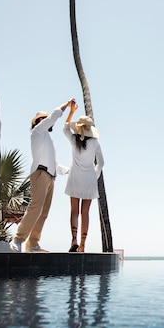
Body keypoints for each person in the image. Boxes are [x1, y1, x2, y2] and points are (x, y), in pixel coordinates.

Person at [9, 98, 75, 253]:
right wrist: (66, 105)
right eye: (43, 119)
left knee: (43, 212)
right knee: (36, 208)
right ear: (37, 122)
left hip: (50, 177)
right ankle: (18, 239)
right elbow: (54, 116)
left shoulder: (48, 140)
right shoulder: (37, 132)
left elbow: (56, 165)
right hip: (40, 174)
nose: (46, 120)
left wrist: (70, 171)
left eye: (46, 119)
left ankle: (33, 244)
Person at [63, 103, 105, 252]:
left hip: (75, 177)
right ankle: (82, 245)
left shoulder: (74, 140)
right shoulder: (95, 142)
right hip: (89, 179)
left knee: (74, 211)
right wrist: (95, 174)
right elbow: (101, 163)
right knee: (85, 212)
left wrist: (71, 112)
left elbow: (65, 127)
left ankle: (73, 240)